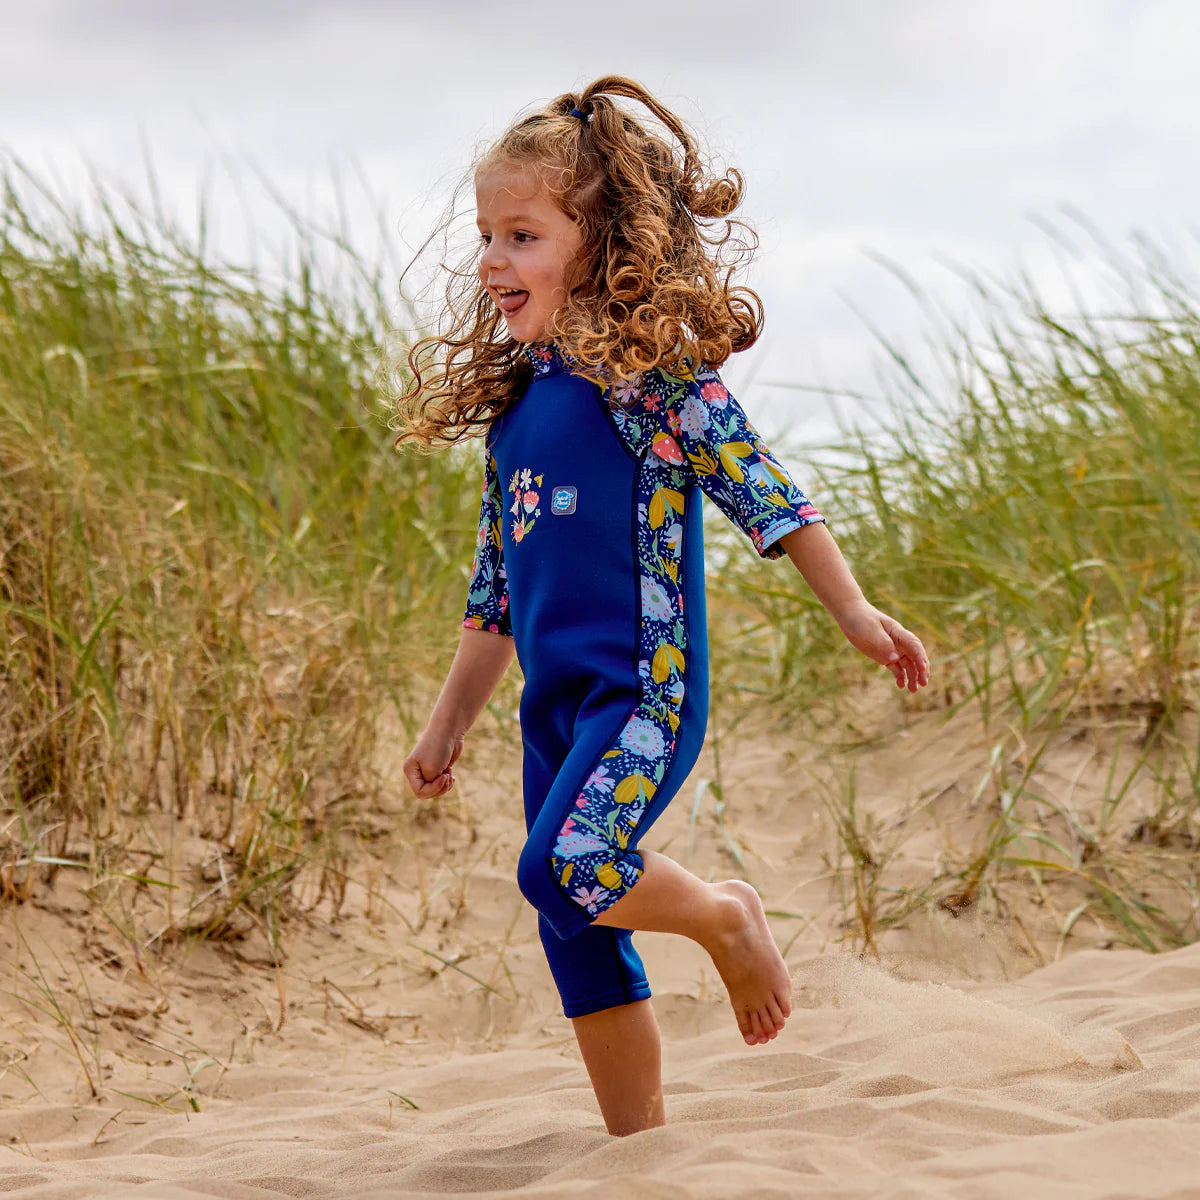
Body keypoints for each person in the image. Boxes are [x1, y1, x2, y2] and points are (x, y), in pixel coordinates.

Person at [396, 75, 930, 1137]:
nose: (493, 260)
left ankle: (729, 918)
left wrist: (856, 611)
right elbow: (495, 595)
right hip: (549, 709)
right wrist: (446, 723)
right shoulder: (516, 415)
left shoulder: (655, 383)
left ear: (598, 240)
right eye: (486, 236)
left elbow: (766, 493)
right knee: (569, 918)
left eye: (522, 235)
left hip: (645, 691)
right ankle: (639, 1156)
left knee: (570, 864)